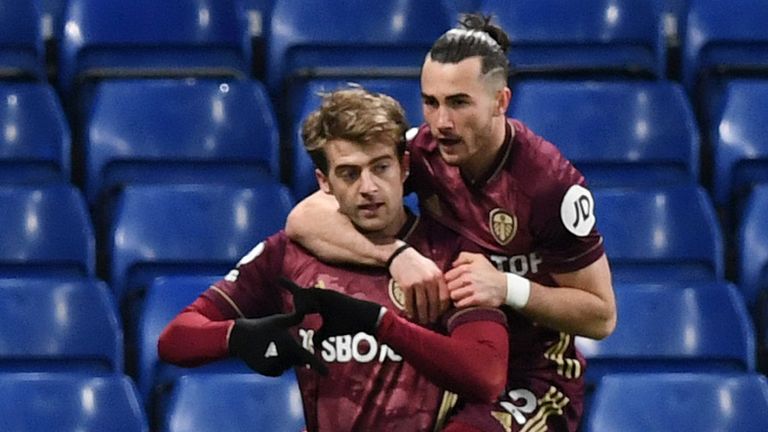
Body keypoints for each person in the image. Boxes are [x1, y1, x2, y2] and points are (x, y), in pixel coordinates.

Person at [285, 13, 617, 431]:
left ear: (501, 101)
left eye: (459, 103)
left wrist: (504, 287)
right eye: (431, 102)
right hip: (449, 363)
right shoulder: (420, 153)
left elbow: (600, 316)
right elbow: (305, 218)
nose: (442, 122)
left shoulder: (549, 186)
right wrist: (395, 254)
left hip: (532, 375)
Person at [158, 87, 510, 432]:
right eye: (349, 173)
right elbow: (175, 339)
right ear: (324, 182)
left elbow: (486, 376)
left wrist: (381, 324)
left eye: (381, 167)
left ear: (404, 168)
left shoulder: (451, 253)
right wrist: (239, 336)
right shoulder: (290, 254)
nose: (368, 187)